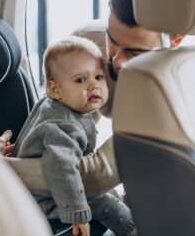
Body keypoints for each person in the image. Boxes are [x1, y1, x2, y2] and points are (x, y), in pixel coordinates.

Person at [0, 0, 161, 201]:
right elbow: (54, 126)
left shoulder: (170, 89)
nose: (116, 60)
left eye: (135, 52)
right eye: (112, 40)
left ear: (175, 39)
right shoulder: (87, 46)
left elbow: (92, 178)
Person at [15, 36, 137, 236]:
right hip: (44, 201)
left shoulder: (53, 104)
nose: (93, 86)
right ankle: (132, 228)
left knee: (105, 193)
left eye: (98, 77)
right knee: (102, 201)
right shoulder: (63, 125)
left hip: (44, 191)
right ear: (55, 90)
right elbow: (62, 169)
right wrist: (77, 214)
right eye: (81, 80)